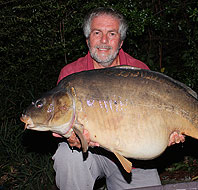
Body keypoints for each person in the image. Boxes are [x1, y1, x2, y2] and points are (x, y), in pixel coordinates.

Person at [52, 7, 185, 190]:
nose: (104, 41)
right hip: (90, 155)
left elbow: (156, 120)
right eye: (97, 32)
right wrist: (73, 138)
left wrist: (169, 132)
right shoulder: (71, 75)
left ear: (121, 42)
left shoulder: (138, 71)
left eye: (112, 34)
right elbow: (66, 124)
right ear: (87, 39)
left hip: (134, 156)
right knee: (67, 157)